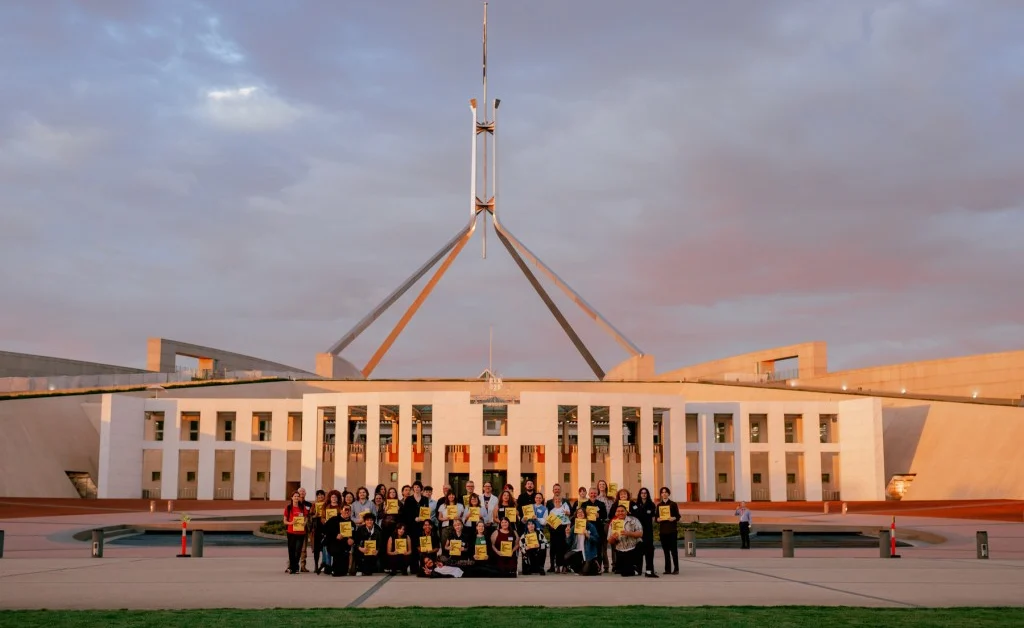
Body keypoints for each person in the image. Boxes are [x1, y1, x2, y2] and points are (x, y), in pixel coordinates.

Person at [608, 504, 643, 577]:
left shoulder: (634, 520)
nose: (620, 513)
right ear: (616, 513)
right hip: (620, 549)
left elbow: (640, 534)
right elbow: (610, 541)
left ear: (626, 512)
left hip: (633, 548)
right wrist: (613, 538)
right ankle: (632, 567)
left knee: (625, 573)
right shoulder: (613, 523)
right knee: (620, 570)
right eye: (618, 511)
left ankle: (635, 566)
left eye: (622, 511)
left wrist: (629, 533)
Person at [632, 487, 659, 578]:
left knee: (649, 550)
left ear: (647, 494)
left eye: (645, 493)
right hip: (638, 531)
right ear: (639, 494)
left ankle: (649, 570)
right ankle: (638, 569)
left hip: (648, 531)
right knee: (638, 550)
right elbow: (635, 515)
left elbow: (651, 516)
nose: (643, 494)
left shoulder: (651, 505)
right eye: (642, 493)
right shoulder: (635, 505)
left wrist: (642, 513)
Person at [581, 488, 609, 573]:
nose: (593, 495)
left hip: (598, 529)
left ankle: (598, 567)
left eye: (595, 493)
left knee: (598, 549)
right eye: (591, 493)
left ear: (597, 494)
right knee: (587, 548)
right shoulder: (584, 504)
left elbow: (605, 516)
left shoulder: (601, 504)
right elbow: (580, 515)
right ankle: (587, 566)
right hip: (587, 529)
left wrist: (599, 516)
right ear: (589, 494)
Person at [283, 491, 311, 574]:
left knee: (298, 551)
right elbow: (284, 521)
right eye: (295, 496)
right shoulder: (288, 508)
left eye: (297, 496)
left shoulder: (302, 507)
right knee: (291, 550)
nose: (296, 498)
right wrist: (291, 523)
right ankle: (292, 567)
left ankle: (295, 567)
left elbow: (306, 517)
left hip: (301, 533)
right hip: (291, 532)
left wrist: (305, 523)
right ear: (292, 498)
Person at [566, 507, 600, 576]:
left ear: (585, 514)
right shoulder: (574, 527)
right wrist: (567, 534)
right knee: (566, 557)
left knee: (585, 572)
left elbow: (597, 539)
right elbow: (569, 542)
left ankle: (594, 563)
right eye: (578, 512)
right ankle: (579, 567)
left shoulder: (590, 526)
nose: (580, 514)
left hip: (588, 552)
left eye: (582, 512)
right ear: (576, 515)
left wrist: (588, 536)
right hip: (578, 550)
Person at [326, 502, 354, 577]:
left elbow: (354, 535)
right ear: (341, 510)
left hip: (345, 547)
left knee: (343, 571)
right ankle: (332, 568)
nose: (347, 511)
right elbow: (325, 530)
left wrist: (352, 540)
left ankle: (331, 568)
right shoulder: (333, 520)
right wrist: (335, 535)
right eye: (345, 509)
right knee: (337, 572)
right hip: (335, 545)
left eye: (349, 510)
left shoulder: (352, 523)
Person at [546, 491, 571, 573]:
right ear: (553, 501)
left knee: (563, 548)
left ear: (561, 500)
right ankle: (557, 566)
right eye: (555, 500)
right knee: (555, 548)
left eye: (559, 499)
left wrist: (568, 527)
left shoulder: (564, 507)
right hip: (554, 530)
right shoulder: (552, 511)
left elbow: (568, 519)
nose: (557, 500)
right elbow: (550, 522)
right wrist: (551, 525)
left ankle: (565, 566)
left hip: (563, 529)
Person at [657, 487, 680, 574]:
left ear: (668, 493)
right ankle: (667, 569)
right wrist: (658, 519)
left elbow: (678, 516)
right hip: (663, 531)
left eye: (666, 492)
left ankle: (676, 568)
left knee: (674, 551)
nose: (664, 494)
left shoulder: (673, 504)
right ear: (661, 494)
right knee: (666, 551)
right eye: (662, 492)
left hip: (672, 530)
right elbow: (656, 517)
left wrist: (673, 518)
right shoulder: (659, 505)